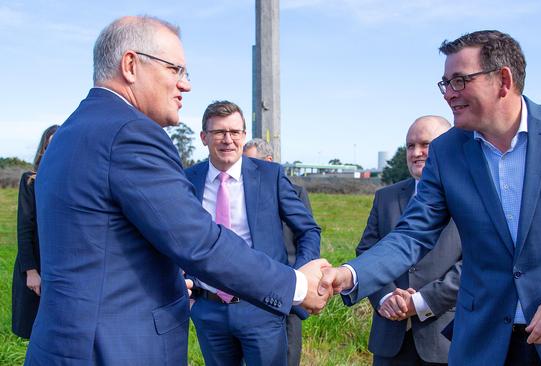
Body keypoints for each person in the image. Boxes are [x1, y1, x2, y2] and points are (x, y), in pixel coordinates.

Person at [319, 30, 541, 366]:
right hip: (484, 344)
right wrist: (349, 274)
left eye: (459, 81)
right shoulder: (447, 152)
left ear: (503, 80)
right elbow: (412, 234)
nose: (448, 95)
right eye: (445, 83)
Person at [26, 16, 328, 365]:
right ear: (131, 64)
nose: (185, 85)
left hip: (65, 344)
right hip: (116, 348)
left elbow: (101, 250)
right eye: (175, 70)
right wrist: (297, 286)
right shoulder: (130, 133)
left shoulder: (70, 131)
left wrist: (168, 282)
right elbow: (198, 242)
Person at [185, 102, 320, 366]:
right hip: (208, 309)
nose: (228, 139)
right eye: (219, 132)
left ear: (244, 135)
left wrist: (297, 278)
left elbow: (308, 230)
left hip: (262, 308)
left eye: (235, 132)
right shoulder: (188, 180)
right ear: (204, 137)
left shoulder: (271, 176)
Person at [357, 116, 461, 366]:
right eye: (410, 146)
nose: (416, 153)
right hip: (390, 338)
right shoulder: (386, 198)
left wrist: (421, 302)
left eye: (426, 144)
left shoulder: (470, 196)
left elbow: (475, 263)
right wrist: (386, 298)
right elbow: (366, 251)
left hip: (446, 338)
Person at [243, 137, 314, 366]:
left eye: (250, 162)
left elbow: (307, 235)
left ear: (269, 162)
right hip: (249, 293)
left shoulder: (296, 192)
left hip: (287, 288)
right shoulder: (238, 194)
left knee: (288, 354)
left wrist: (298, 279)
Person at [11, 124, 58, 339]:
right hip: (37, 264)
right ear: (42, 150)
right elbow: (25, 226)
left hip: (59, 264)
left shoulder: (70, 180)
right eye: (49, 146)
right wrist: (30, 271)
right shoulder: (31, 180)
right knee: (35, 330)